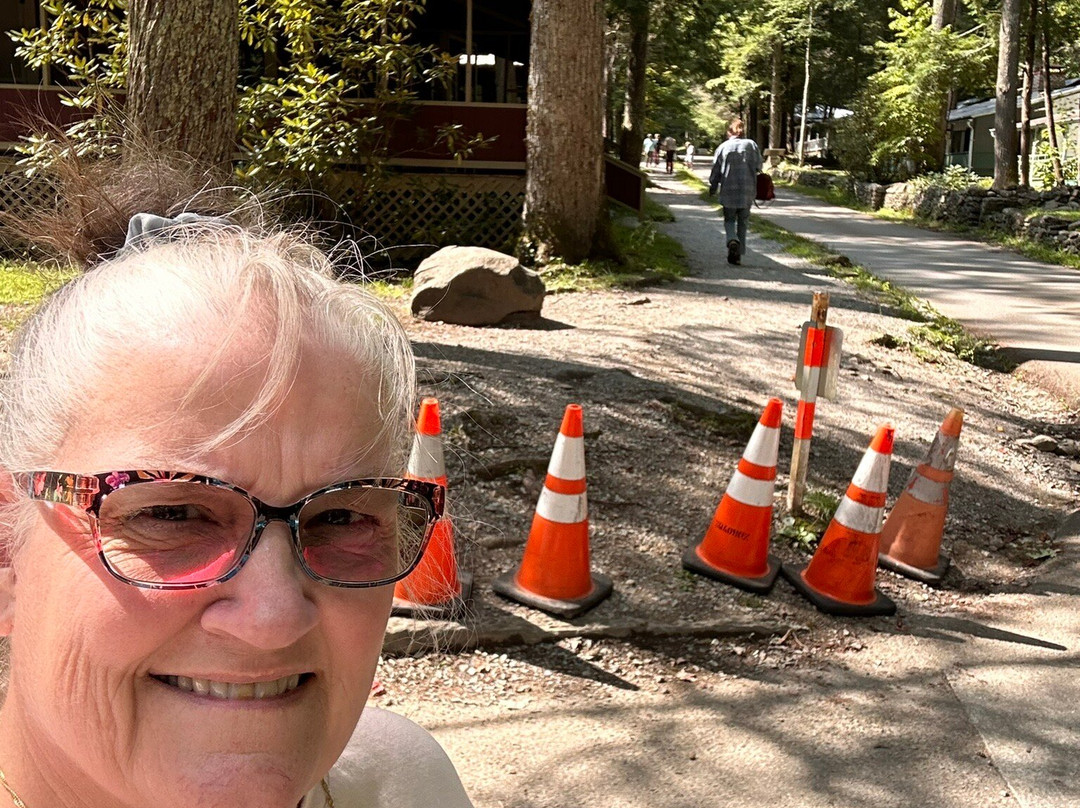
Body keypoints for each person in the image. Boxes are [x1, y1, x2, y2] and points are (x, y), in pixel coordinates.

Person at [0, 155, 474, 808]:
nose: (276, 617)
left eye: (342, 518)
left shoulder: (410, 784)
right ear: (7, 551)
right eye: (172, 514)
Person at [709, 118, 763, 265]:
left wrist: (713, 187)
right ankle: (738, 256)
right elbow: (759, 166)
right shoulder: (751, 145)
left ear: (729, 132)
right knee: (743, 222)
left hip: (728, 190)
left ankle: (732, 239)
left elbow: (716, 170)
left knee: (729, 219)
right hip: (747, 190)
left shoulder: (722, 147)